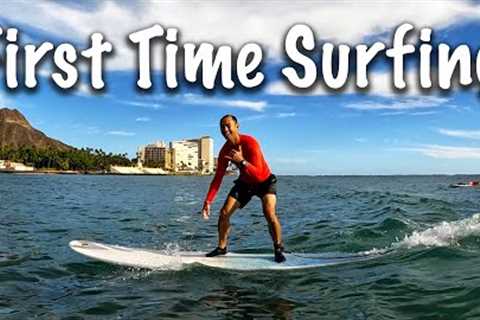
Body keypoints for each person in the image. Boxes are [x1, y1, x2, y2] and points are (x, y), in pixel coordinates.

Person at [201, 114, 286, 263]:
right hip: (245, 183)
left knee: (269, 212)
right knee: (224, 213)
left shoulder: (250, 143)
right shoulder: (224, 152)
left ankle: (278, 247)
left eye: (228, 125)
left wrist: (242, 162)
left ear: (237, 126)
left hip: (265, 181)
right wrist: (208, 201)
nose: (225, 129)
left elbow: (259, 175)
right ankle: (222, 247)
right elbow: (218, 178)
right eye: (222, 127)